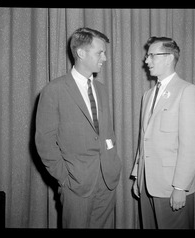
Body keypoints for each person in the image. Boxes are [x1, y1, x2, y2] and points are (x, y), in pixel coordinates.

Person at [35, 27, 122, 228]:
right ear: (81, 53)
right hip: (76, 185)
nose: (105, 58)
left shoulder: (101, 89)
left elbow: (107, 133)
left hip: (107, 181)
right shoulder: (53, 90)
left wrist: (113, 163)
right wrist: (65, 178)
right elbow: (44, 143)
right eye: (100, 52)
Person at [131, 36, 195, 229]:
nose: (146, 61)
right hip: (147, 184)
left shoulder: (187, 91)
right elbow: (144, 138)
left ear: (169, 58)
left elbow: (191, 145)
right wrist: (138, 177)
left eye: (152, 56)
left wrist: (180, 187)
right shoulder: (147, 95)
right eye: (148, 56)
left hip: (171, 187)